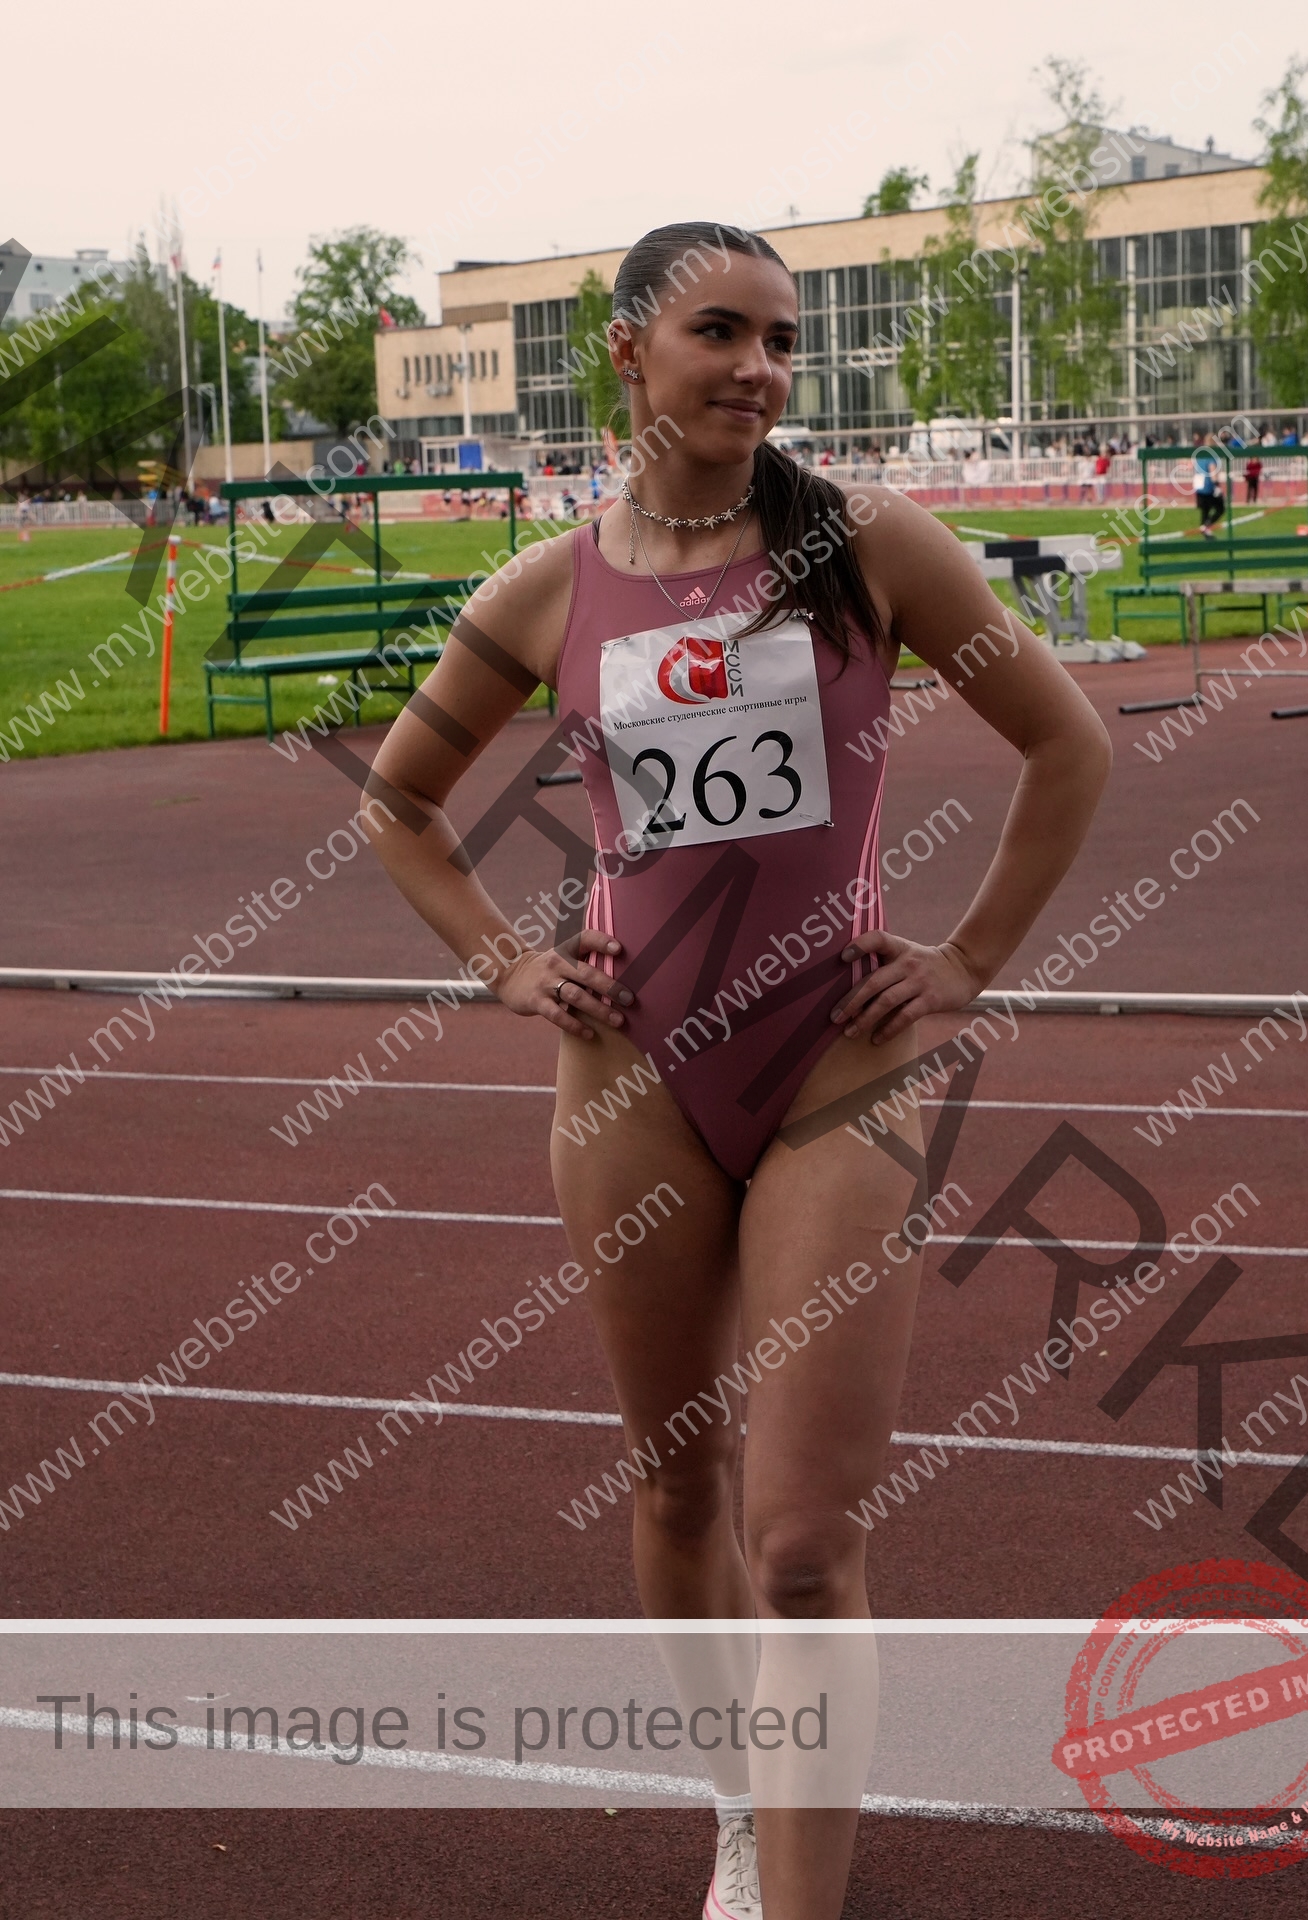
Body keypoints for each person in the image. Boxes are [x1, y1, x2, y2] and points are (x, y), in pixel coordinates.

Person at [361, 221, 1110, 1920]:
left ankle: (800, 1894)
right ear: (627, 349)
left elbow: (1067, 746)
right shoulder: (546, 590)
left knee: (797, 1538)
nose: (761, 368)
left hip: (836, 1070)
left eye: (782, 339)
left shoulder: (871, 549)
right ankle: (732, 1809)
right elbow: (398, 803)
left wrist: (971, 960)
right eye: (722, 332)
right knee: (680, 1478)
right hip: (631, 1089)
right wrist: (505, 960)